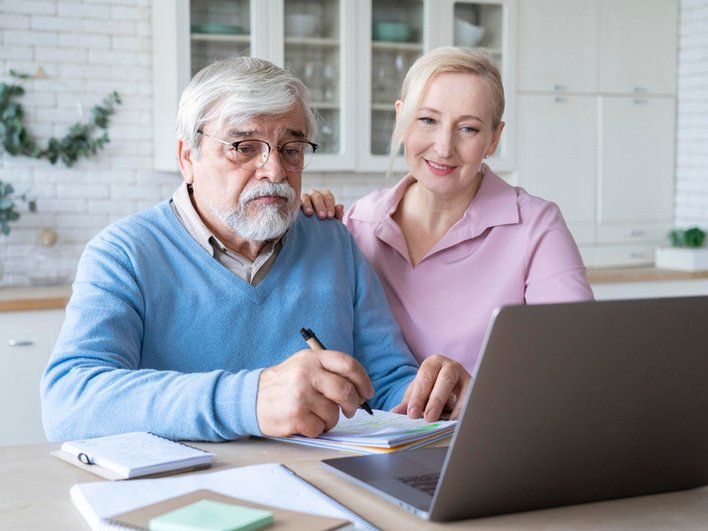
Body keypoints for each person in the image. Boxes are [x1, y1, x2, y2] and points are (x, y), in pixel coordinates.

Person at [40, 57, 470, 443]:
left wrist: (429, 398)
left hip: (327, 491)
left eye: (292, 149)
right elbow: (70, 401)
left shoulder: (333, 242)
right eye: (244, 148)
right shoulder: (124, 254)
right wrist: (249, 399)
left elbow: (387, 380)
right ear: (188, 156)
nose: (275, 170)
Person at [302, 47, 594, 372]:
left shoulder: (535, 227)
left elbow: (574, 361)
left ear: (494, 139)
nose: (443, 147)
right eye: (427, 120)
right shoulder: (360, 222)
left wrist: (473, 396)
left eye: (468, 128)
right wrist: (303, 227)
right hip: (384, 422)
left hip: (489, 421)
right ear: (401, 117)